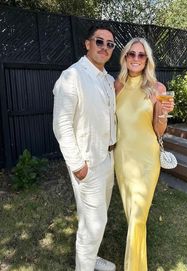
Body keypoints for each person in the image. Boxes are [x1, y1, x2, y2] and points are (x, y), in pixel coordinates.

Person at [53, 24, 117, 271]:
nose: (104, 47)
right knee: (94, 221)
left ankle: (92, 258)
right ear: (87, 43)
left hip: (108, 158)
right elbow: (61, 125)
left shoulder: (108, 79)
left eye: (109, 44)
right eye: (99, 41)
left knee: (97, 220)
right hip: (88, 162)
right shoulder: (73, 76)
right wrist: (78, 165)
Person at [114, 37, 174, 271]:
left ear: (147, 59)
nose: (136, 59)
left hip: (147, 159)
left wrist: (163, 113)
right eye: (132, 54)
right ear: (125, 57)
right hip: (123, 157)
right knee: (132, 214)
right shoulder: (116, 85)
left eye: (141, 55)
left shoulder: (157, 88)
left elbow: (159, 130)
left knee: (139, 215)